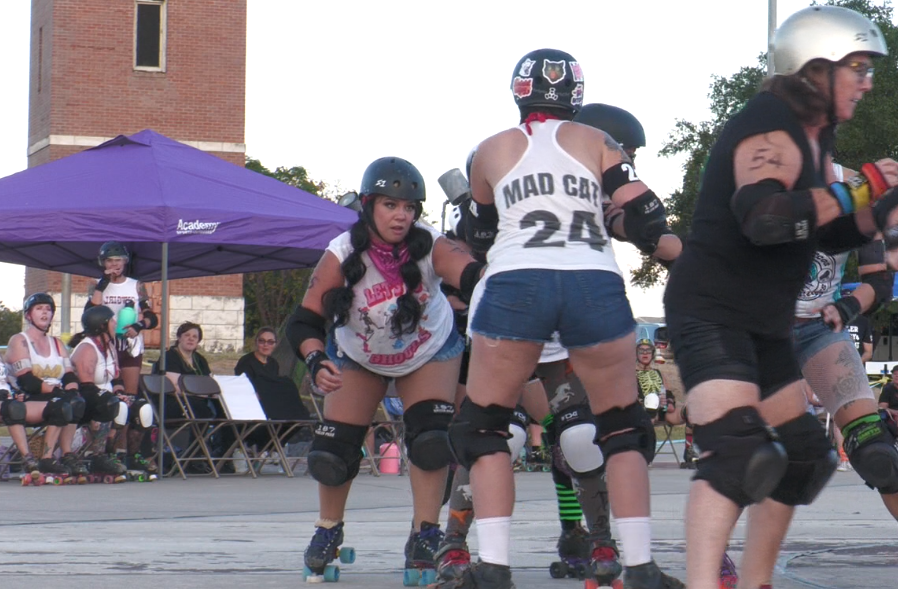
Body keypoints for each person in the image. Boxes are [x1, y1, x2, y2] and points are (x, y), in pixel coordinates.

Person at [663, 7, 898, 588]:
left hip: (763, 323)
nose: (868, 83)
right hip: (712, 312)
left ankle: (757, 581)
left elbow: (828, 231)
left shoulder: (817, 141)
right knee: (742, 455)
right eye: (859, 68)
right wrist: (862, 186)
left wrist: (880, 209)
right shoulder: (771, 123)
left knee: (803, 458)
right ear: (816, 67)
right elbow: (765, 218)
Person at [445, 48, 683, 589]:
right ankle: (640, 565)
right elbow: (647, 213)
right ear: (576, 96)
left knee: (486, 430)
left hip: (516, 281)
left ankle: (493, 565)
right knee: (620, 428)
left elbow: (478, 236)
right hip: (590, 279)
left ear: (518, 93)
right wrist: (618, 220)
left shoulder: (491, 149)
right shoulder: (596, 141)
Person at [286, 156, 481, 581]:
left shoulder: (429, 244)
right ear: (370, 204)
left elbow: (469, 274)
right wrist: (316, 358)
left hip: (427, 349)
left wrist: (486, 278)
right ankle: (328, 529)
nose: (402, 216)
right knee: (333, 452)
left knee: (431, 439)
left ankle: (424, 533)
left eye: (409, 207)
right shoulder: (341, 253)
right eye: (391, 205)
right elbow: (302, 321)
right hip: (357, 353)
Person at [5, 293, 85, 477]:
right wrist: (58, 391)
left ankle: (66, 455)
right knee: (62, 404)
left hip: (54, 396)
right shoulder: (20, 341)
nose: (44, 313)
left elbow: (69, 374)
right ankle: (46, 459)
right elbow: (27, 381)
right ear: (28, 315)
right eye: (39, 308)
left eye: (48, 309)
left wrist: (72, 391)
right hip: (28, 397)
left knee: (76, 402)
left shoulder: (56, 343)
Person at [69, 305, 154, 476]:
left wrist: (120, 393)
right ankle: (102, 456)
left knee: (143, 408)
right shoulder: (87, 348)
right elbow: (86, 387)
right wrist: (114, 398)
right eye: (112, 321)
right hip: (87, 399)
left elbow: (116, 378)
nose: (116, 324)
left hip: (107, 397)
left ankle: (132, 456)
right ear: (101, 326)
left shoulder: (109, 346)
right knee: (116, 405)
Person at [152, 321, 233, 473]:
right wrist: (202, 391)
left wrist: (203, 392)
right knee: (201, 410)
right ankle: (193, 457)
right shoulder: (170, 357)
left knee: (226, 411)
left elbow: (210, 383)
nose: (191, 339)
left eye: (195, 336)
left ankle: (224, 457)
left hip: (198, 401)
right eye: (187, 335)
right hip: (173, 402)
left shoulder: (200, 359)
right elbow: (176, 386)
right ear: (179, 338)